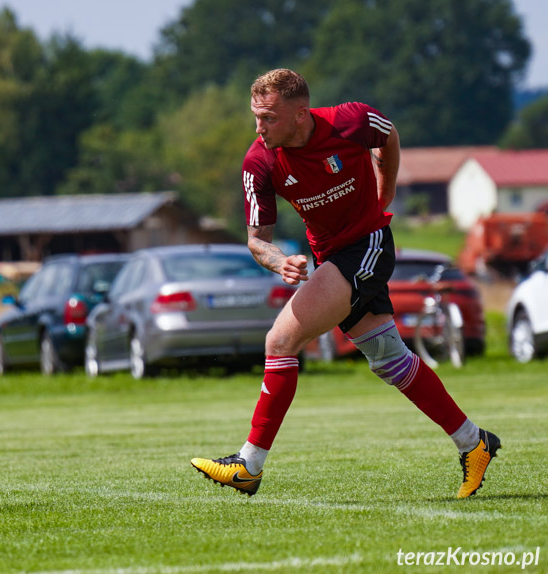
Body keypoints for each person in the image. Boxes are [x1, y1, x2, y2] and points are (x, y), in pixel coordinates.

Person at [190, 68, 500, 500]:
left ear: (301, 114)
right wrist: (280, 262)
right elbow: (256, 241)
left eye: (269, 117)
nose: (259, 127)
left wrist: (384, 191)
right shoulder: (259, 161)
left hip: (368, 245)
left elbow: (388, 135)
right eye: (256, 116)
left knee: (280, 341)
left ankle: (249, 465)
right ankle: (474, 442)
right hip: (332, 258)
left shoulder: (350, 121)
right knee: (391, 361)